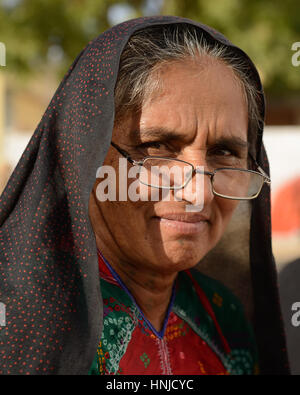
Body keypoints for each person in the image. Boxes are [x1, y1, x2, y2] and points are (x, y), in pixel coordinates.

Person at [0, 16, 289, 375]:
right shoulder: (20, 323)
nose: (197, 192)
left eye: (224, 153)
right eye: (159, 148)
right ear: (84, 152)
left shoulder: (224, 318)